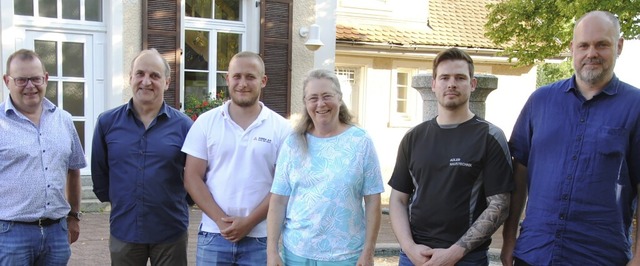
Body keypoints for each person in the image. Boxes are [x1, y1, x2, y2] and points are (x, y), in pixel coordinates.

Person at [502, 11, 640, 265]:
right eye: (583, 45)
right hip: (534, 253)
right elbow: (518, 175)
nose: (591, 53)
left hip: (600, 258)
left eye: (602, 45)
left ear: (619, 46)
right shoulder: (540, 101)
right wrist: (509, 240)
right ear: (572, 48)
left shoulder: (636, 106)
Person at [388, 48, 513, 266]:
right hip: (414, 257)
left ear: (472, 84)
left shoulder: (490, 136)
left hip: (466, 259)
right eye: (444, 77)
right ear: (433, 84)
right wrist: (409, 248)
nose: (451, 84)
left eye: (460, 78)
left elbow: (499, 206)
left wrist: (454, 253)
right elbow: (398, 199)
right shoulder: (413, 137)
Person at [182, 51, 291, 265]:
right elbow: (192, 178)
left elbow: (283, 186)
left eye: (250, 77)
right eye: (237, 76)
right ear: (227, 79)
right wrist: (222, 222)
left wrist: (249, 222)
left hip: (261, 238)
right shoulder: (206, 123)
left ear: (263, 80)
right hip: (214, 235)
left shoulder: (281, 129)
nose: (243, 83)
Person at [266, 69, 385, 266]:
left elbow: (373, 201)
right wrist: (272, 252)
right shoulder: (292, 143)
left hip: (346, 256)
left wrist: (368, 252)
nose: (320, 104)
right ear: (305, 103)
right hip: (297, 254)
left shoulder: (360, 141)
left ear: (339, 98)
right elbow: (278, 201)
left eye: (327, 96)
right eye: (313, 98)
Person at [91, 48, 193, 265]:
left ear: (166, 82)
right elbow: (100, 176)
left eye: (154, 76)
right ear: (130, 78)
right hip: (124, 229)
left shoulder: (185, 126)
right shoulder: (107, 123)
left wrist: (175, 204)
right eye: (140, 74)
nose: (146, 81)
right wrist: (122, 202)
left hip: (170, 232)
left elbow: (195, 176)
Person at [0, 49, 86, 265]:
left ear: (45, 78)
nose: (30, 86)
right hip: (11, 234)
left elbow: (73, 170)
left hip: (57, 233)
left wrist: (74, 216)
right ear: (7, 81)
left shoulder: (64, 120)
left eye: (36, 78)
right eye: (21, 80)